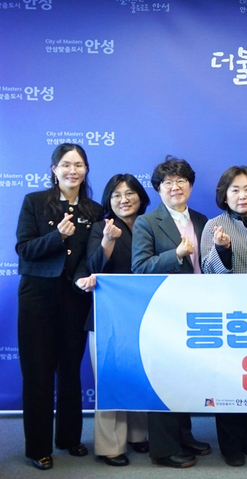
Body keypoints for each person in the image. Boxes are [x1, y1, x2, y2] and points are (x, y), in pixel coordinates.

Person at [15, 143, 103, 470]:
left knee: (70, 371)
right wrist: (58, 237)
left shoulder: (94, 210)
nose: (72, 170)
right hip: (37, 297)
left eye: (78, 165)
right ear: (54, 169)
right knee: (37, 373)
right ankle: (37, 448)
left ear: (86, 169)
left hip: (74, 297)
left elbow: (89, 256)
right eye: (66, 164)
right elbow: (24, 249)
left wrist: (81, 278)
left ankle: (69, 437)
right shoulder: (35, 202)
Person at [131, 156, 211, 468]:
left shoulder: (203, 220)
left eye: (181, 181)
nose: (175, 187)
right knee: (164, 377)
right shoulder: (147, 222)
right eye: (168, 182)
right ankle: (163, 449)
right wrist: (175, 254)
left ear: (190, 185)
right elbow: (140, 268)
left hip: (196, 310)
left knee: (185, 377)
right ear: (158, 188)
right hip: (164, 311)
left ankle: (183, 436)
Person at [75, 174, 151, 467]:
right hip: (107, 318)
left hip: (144, 317)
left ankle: (137, 434)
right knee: (111, 382)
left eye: (130, 193)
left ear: (141, 197)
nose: (124, 199)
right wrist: (108, 240)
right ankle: (109, 445)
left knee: (139, 376)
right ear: (109, 200)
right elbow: (91, 268)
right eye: (117, 195)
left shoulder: (149, 225)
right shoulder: (100, 227)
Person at [200, 166, 247, 467]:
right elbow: (207, 269)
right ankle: (230, 445)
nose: (243, 195)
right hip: (227, 312)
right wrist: (222, 248)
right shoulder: (214, 225)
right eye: (235, 190)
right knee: (228, 378)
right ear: (224, 196)